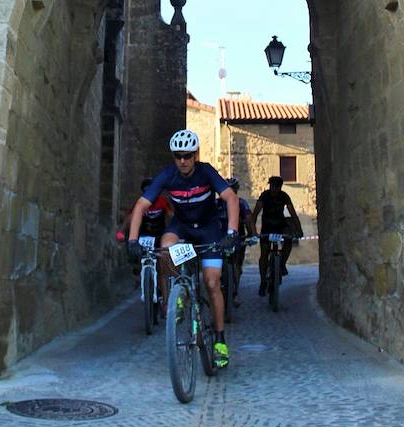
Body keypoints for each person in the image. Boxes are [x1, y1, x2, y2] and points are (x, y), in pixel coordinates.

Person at [127, 129, 239, 369]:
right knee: (165, 247)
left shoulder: (206, 171)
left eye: (188, 155)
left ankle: (219, 339)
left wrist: (231, 233)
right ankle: (179, 293)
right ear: (173, 157)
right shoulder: (168, 174)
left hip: (209, 229)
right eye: (178, 156)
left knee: (211, 283)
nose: (183, 161)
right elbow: (140, 206)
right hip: (182, 228)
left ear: (195, 154)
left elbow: (231, 198)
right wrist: (132, 240)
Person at [118, 179, 172, 304]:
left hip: (159, 234)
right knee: (135, 251)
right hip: (144, 234)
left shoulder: (162, 201)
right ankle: (138, 274)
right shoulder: (140, 203)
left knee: (162, 267)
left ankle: (165, 302)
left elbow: (171, 215)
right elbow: (130, 218)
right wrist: (121, 231)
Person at [251, 175, 303, 296]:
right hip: (267, 227)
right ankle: (263, 281)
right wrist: (252, 231)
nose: (274, 189)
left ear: (280, 187)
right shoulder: (264, 196)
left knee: (288, 241)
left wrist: (299, 230)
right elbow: (255, 213)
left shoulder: (284, 196)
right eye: (272, 186)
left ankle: (282, 264)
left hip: (280, 226)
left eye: (276, 187)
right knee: (264, 253)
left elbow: (293, 214)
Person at [217, 178, 256, 306]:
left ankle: (235, 292)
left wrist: (252, 234)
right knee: (216, 267)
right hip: (219, 239)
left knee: (237, 265)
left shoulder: (242, 203)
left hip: (237, 239)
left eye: (233, 190)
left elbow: (249, 219)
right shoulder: (216, 204)